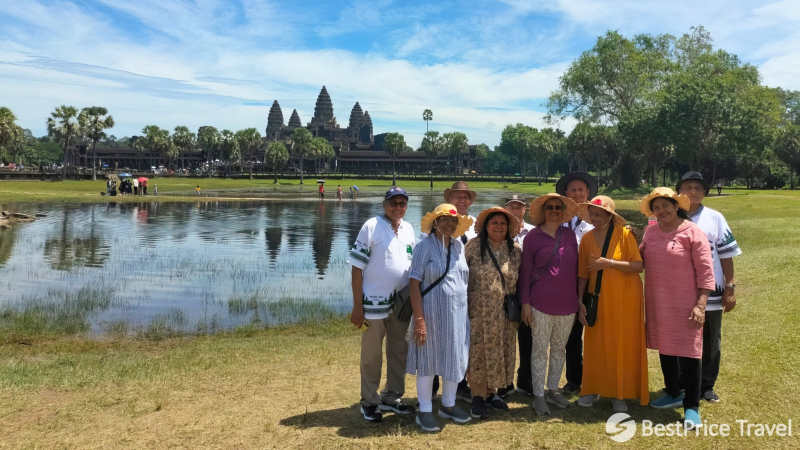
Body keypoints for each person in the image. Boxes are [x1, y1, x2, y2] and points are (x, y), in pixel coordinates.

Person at [639, 187, 715, 429]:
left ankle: (692, 406)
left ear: (676, 206)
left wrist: (700, 306)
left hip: (686, 304)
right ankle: (673, 392)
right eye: (656, 208)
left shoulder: (693, 233)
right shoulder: (650, 232)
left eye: (665, 206)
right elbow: (638, 261)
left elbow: (706, 272)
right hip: (658, 302)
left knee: (690, 352)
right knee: (666, 346)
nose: (661, 211)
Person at [348, 187, 416, 422]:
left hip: (401, 305)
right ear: (384, 204)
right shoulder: (371, 226)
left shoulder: (408, 229)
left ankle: (392, 397)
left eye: (402, 203)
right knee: (371, 355)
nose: (398, 207)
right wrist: (358, 305)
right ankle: (369, 401)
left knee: (400, 351)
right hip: (372, 305)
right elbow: (357, 267)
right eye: (393, 203)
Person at [575, 196, 648, 412]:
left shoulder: (625, 235)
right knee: (596, 343)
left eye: (599, 214)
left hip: (626, 298)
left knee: (622, 343)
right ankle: (593, 388)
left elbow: (638, 266)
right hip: (596, 298)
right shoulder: (587, 238)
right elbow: (582, 273)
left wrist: (610, 263)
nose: (594, 217)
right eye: (592, 214)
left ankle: (620, 393)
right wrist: (579, 301)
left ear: (610, 216)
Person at [407, 204, 473, 432]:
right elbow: (414, 283)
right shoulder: (424, 246)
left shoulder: (458, 246)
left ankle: (448, 405)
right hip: (430, 314)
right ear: (435, 222)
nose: (449, 224)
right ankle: (424, 410)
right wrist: (419, 320)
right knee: (428, 360)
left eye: (453, 221)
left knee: (454, 358)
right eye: (444, 219)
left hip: (456, 315)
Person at [677, 172, 741, 403]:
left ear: (704, 193)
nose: (692, 191)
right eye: (687, 187)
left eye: (697, 188)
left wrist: (730, 288)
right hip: (679, 291)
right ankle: (682, 382)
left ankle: (706, 385)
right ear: (679, 192)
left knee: (710, 338)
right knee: (681, 336)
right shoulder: (671, 216)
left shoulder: (714, 218)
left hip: (712, 290)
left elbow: (727, 256)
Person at [519, 193, 580, 415]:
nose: (554, 210)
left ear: (563, 212)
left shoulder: (570, 236)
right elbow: (525, 272)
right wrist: (525, 302)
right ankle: (538, 394)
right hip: (540, 303)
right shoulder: (532, 237)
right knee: (539, 351)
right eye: (549, 207)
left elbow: (575, 270)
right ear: (543, 212)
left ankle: (553, 389)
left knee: (559, 350)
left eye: (558, 207)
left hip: (567, 303)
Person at [464, 207, 523, 419]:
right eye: (494, 223)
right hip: (478, 312)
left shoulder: (515, 250)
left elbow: (520, 280)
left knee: (500, 351)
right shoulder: (473, 246)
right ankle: (478, 395)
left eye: (503, 223)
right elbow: (462, 276)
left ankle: (491, 392)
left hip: (504, 314)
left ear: (508, 228)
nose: (499, 227)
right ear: (486, 226)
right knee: (479, 352)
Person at [428, 181, 478, 402]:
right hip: (440, 293)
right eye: (457, 197)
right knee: (438, 337)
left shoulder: (477, 225)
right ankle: (433, 384)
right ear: (449, 199)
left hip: (470, 289)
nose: (462, 200)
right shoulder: (437, 225)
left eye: (465, 197)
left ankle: (461, 383)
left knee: (462, 338)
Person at [555, 172, 598, 395]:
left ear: (588, 192)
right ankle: (574, 379)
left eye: (581, 189)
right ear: (566, 194)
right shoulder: (559, 217)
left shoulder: (598, 216)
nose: (577, 193)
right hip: (565, 283)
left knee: (595, 331)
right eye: (573, 190)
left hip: (594, 283)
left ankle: (598, 378)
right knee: (571, 335)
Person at [499, 194, 535, 398]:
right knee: (505, 339)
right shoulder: (498, 230)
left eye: (518, 207)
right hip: (504, 293)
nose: (515, 210)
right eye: (510, 206)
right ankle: (505, 382)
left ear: (525, 209)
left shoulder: (532, 232)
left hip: (528, 292)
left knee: (527, 338)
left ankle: (525, 379)